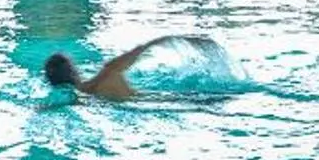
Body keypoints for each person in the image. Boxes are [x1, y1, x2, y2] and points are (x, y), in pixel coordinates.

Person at [42, 33, 221, 102]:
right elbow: (144, 47)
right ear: (75, 71)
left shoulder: (72, 102)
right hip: (170, 100)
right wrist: (192, 41)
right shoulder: (109, 72)